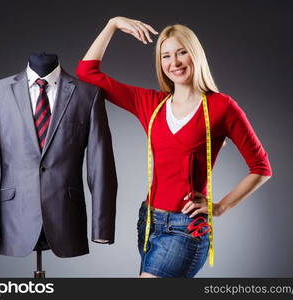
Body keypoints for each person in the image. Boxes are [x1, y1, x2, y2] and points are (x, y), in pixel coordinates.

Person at [76, 16, 272, 278]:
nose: (174, 62)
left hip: (186, 228)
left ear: (195, 55)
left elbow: (261, 168)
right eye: (166, 56)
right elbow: (87, 73)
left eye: (182, 53)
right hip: (148, 222)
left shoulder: (222, 107)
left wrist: (220, 207)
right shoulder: (149, 103)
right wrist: (112, 24)